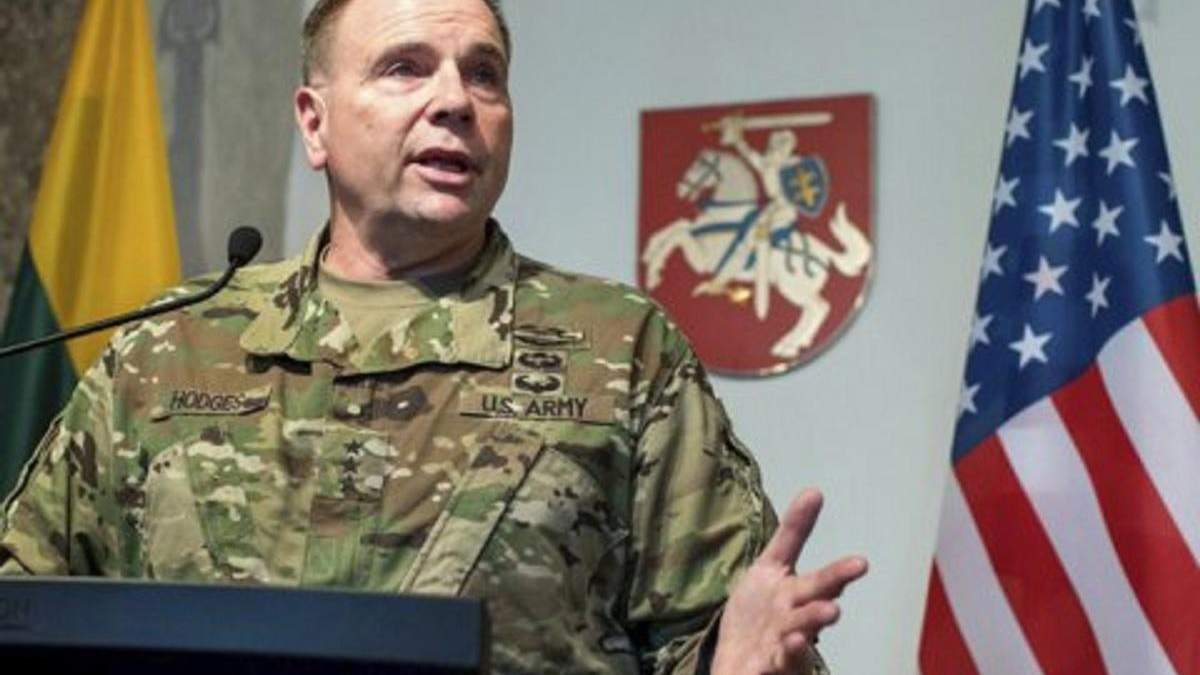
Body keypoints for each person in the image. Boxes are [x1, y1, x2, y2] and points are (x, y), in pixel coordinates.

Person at [0, 0, 868, 672]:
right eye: (404, 68)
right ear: (314, 122)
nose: (455, 100)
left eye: (484, 74)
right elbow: (25, 609)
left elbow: (722, 643)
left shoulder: (620, 351)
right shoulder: (170, 348)